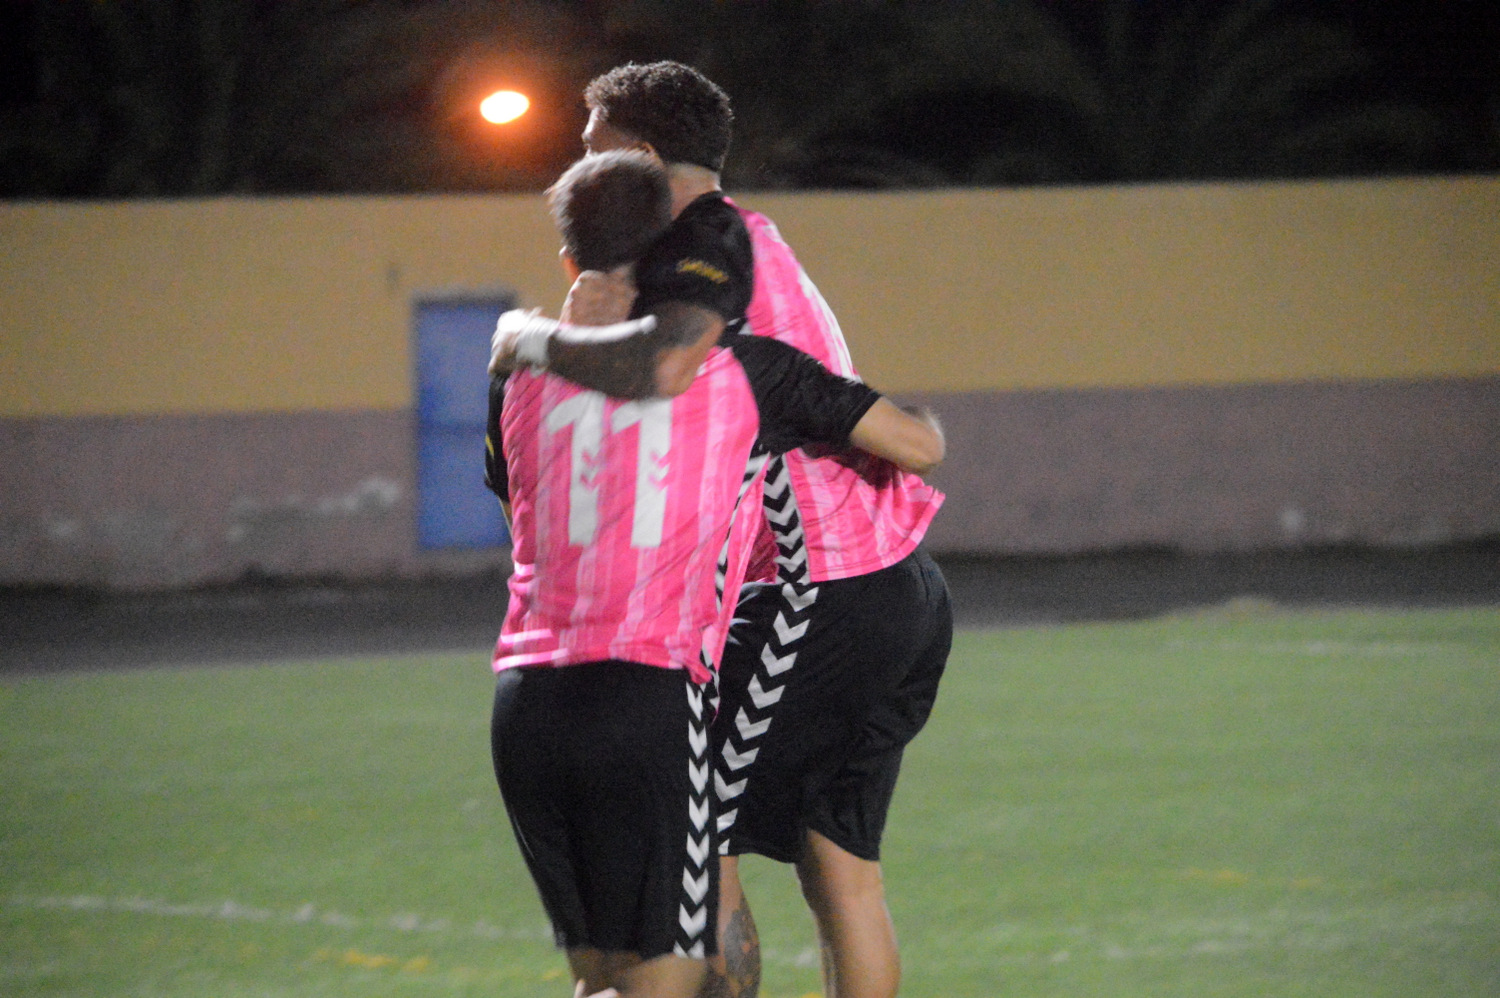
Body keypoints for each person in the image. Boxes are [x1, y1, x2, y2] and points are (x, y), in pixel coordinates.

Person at [502, 61, 953, 998]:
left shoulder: (701, 279)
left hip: (809, 588)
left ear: (641, 156)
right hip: (893, 578)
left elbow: (669, 376)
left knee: (698, 845)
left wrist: (532, 338)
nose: (583, 163)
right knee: (842, 871)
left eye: (594, 150)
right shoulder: (751, 239)